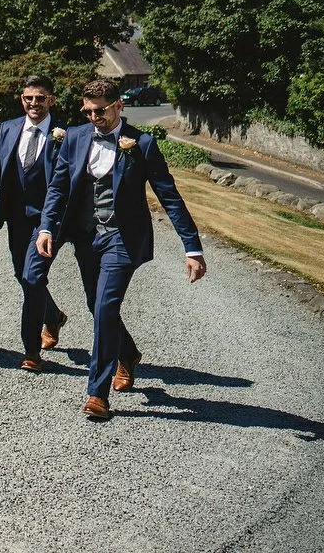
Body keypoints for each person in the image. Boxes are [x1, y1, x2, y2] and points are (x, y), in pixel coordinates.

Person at [33, 77, 206, 420]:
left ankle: (96, 394)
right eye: (87, 111)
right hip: (86, 237)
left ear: (118, 107)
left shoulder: (141, 144)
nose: (93, 117)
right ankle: (127, 354)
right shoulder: (75, 138)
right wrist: (46, 226)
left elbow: (169, 197)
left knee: (106, 306)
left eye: (100, 111)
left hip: (121, 239)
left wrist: (192, 248)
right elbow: (57, 189)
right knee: (96, 307)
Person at [0, 76, 67, 371]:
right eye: (28, 98)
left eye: (40, 98)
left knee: (33, 278)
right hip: (17, 218)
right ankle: (54, 316)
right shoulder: (7, 129)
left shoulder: (65, 135)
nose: (34, 104)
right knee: (23, 275)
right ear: (22, 99)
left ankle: (31, 351)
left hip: (47, 222)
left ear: (51, 101)